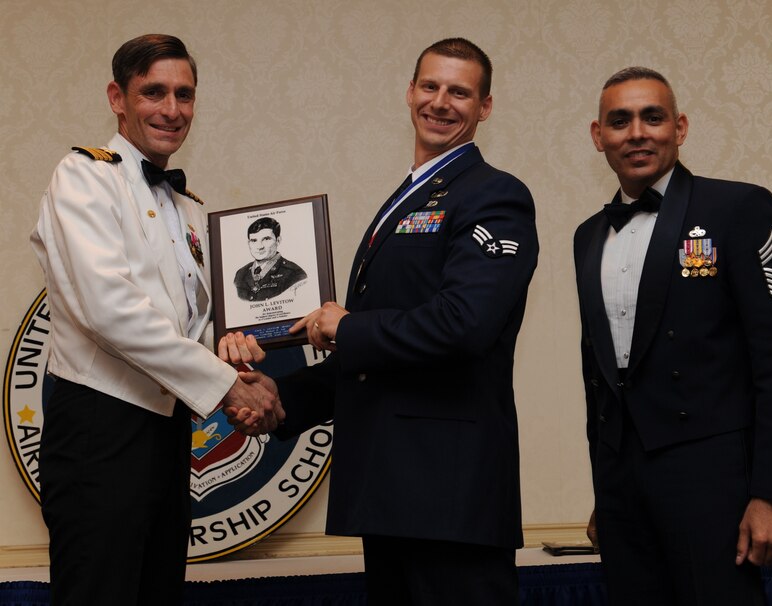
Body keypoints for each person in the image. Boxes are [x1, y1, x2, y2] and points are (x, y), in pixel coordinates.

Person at [228, 37, 539, 604]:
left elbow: (464, 324)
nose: (441, 102)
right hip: (391, 486)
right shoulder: (406, 197)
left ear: (485, 107)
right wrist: (281, 398)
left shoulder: (495, 196)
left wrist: (343, 327)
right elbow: (377, 358)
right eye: (431, 86)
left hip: (450, 492)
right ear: (410, 92)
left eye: (460, 92)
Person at [30, 34, 282, 605]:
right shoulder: (84, 177)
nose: (172, 109)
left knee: (157, 591)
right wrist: (225, 389)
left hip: (168, 432)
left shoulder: (188, 208)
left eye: (185, 94)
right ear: (117, 97)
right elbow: (108, 310)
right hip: (99, 431)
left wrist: (236, 348)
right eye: (154, 92)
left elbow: (192, 324)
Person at [574, 66, 772, 605]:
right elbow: (605, 376)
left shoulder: (739, 208)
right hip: (622, 489)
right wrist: (609, 487)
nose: (637, 132)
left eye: (652, 117)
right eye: (620, 121)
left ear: (679, 128)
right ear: (599, 137)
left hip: (714, 483)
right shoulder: (587, 236)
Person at [234, 217, 307, 301]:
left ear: (278, 241)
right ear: (248, 243)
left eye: (266, 239)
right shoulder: (240, 274)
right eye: (254, 240)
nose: (259, 247)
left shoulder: (295, 274)